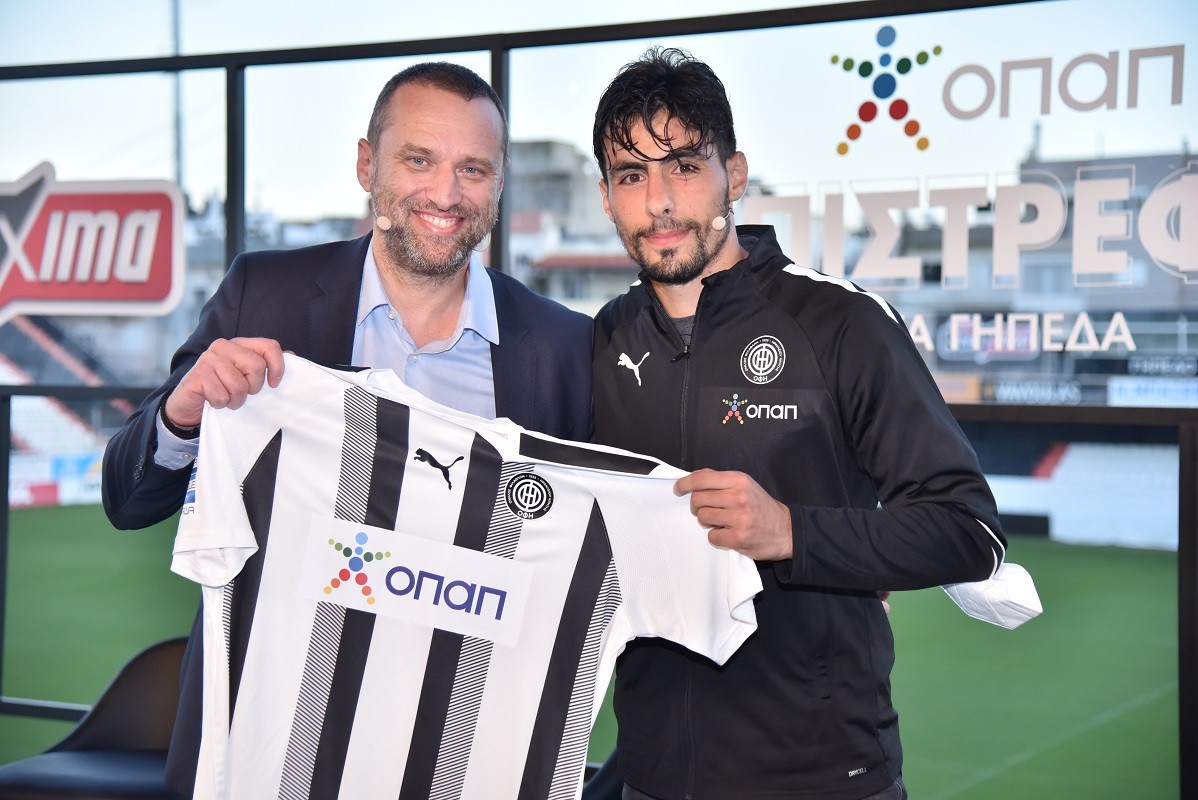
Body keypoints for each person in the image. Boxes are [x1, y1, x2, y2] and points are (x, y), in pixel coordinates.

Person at [101, 61, 592, 797]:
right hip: (273, 749)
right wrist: (183, 413)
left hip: (455, 755)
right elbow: (127, 497)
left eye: (473, 169)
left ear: (498, 183)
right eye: (418, 160)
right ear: (368, 164)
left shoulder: (561, 347)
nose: (446, 193)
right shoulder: (262, 296)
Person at [589, 47, 1007, 800]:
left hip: (822, 778)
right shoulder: (601, 342)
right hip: (652, 778)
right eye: (630, 175)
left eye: (684, 166)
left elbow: (968, 532)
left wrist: (793, 533)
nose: (658, 202)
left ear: (735, 175)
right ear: (606, 196)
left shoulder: (840, 323)